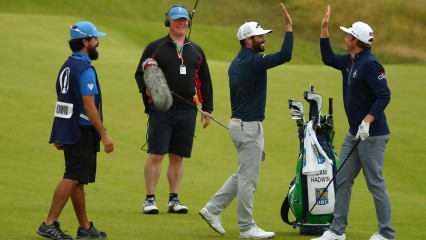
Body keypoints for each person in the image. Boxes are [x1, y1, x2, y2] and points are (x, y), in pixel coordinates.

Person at [198, 2, 293, 239]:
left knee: (243, 174)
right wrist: (289, 28)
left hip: (240, 126)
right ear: (247, 40)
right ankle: (246, 228)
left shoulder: (238, 62)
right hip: (248, 127)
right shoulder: (252, 62)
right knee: (248, 181)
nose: (263, 39)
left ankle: (212, 209)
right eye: (259, 36)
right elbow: (285, 55)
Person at [313, 6, 394, 240]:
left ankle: (387, 234)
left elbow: (384, 95)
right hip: (353, 134)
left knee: (375, 183)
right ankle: (337, 231)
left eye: (347, 35)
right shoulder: (349, 61)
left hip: (372, 135)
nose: (344, 38)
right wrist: (324, 29)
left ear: (355, 41)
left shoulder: (370, 64)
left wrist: (368, 121)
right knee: (343, 179)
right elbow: (327, 57)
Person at [37, 21, 114, 240]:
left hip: (69, 129)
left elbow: (64, 101)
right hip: (82, 131)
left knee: (78, 179)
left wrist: (60, 132)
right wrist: (104, 134)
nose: (98, 43)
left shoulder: (67, 65)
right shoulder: (85, 69)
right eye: (95, 39)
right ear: (85, 42)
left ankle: (85, 228)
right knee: (72, 176)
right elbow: (89, 107)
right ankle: (49, 223)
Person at [134, 5, 213, 214]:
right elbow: (140, 74)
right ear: (168, 21)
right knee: (156, 155)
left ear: (188, 22)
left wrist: (207, 109)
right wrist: (148, 91)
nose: (181, 23)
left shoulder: (196, 51)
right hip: (161, 110)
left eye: (184, 20)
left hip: (188, 110)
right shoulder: (156, 47)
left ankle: (174, 199)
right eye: (176, 19)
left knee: (177, 157)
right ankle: (150, 199)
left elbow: (204, 81)